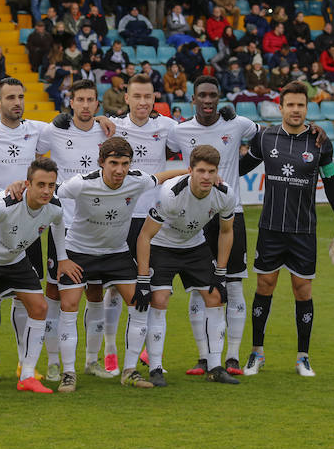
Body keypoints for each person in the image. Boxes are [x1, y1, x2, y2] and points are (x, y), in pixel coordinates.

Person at [54, 136, 186, 391]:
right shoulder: (81, 184)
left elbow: (160, 177)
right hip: (79, 252)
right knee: (69, 306)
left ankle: (129, 371)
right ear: (101, 162)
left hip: (116, 253)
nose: (119, 170)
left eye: (125, 163)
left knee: (139, 304)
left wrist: (189, 172)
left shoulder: (136, 180)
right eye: (113, 163)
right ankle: (68, 373)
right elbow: (49, 194)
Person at [238, 80, 334, 378]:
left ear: (307, 107)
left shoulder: (320, 143)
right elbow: (237, 169)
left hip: (303, 231)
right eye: (291, 104)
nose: (296, 110)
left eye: (301, 105)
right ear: (281, 106)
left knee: (303, 290)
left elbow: (331, 183)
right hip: (271, 228)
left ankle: (303, 357)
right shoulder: (266, 139)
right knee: (265, 287)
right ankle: (256, 353)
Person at [164, 76, 258, 375]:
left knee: (232, 285)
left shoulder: (238, 124)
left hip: (232, 213)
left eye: (212, 95)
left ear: (219, 98)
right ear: (193, 98)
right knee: (197, 288)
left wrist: (240, 169)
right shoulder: (180, 130)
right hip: (195, 216)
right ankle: (204, 357)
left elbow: (264, 138)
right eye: (202, 95)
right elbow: (155, 145)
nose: (207, 100)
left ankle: (231, 356)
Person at [0, 158, 67, 398]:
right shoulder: (3, 204)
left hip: (13, 259)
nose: (47, 190)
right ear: (27, 184)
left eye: (51, 185)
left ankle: (27, 375)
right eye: (41, 184)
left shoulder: (54, 206)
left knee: (39, 308)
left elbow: (59, 222)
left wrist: (63, 258)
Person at [136, 144, 240, 386]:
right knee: (159, 300)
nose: (206, 177)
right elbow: (145, 236)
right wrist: (142, 278)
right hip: (163, 247)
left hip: (195, 246)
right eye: (201, 171)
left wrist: (221, 273)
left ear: (217, 172)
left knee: (215, 298)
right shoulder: (171, 193)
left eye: (211, 171)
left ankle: (215, 366)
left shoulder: (225, 193)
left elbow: (226, 232)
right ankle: (155, 368)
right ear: (190, 171)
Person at [34, 80, 110, 381]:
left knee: (96, 292)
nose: (86, 105)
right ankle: (53, 360)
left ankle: (92, 360)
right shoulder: (53, 131)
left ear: (98, 104)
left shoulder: (107, 130)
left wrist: (108, 120)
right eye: (80, 99)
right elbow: (33, 152)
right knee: (55, 292)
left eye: (91, 100)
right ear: (72, 102)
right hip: (60, 226)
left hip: (96, 226)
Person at [104, 74, 179, 374]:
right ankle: (110, 350)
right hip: (120, 217)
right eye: (137, 96)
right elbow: (84, 126)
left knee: (148, 286)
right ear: (127, 98)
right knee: (114, 288)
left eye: (148, 96)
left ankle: (145, 349)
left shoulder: (166, 127)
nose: (143, 102)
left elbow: (197, 136)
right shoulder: (112, 126)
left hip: (154, 219)